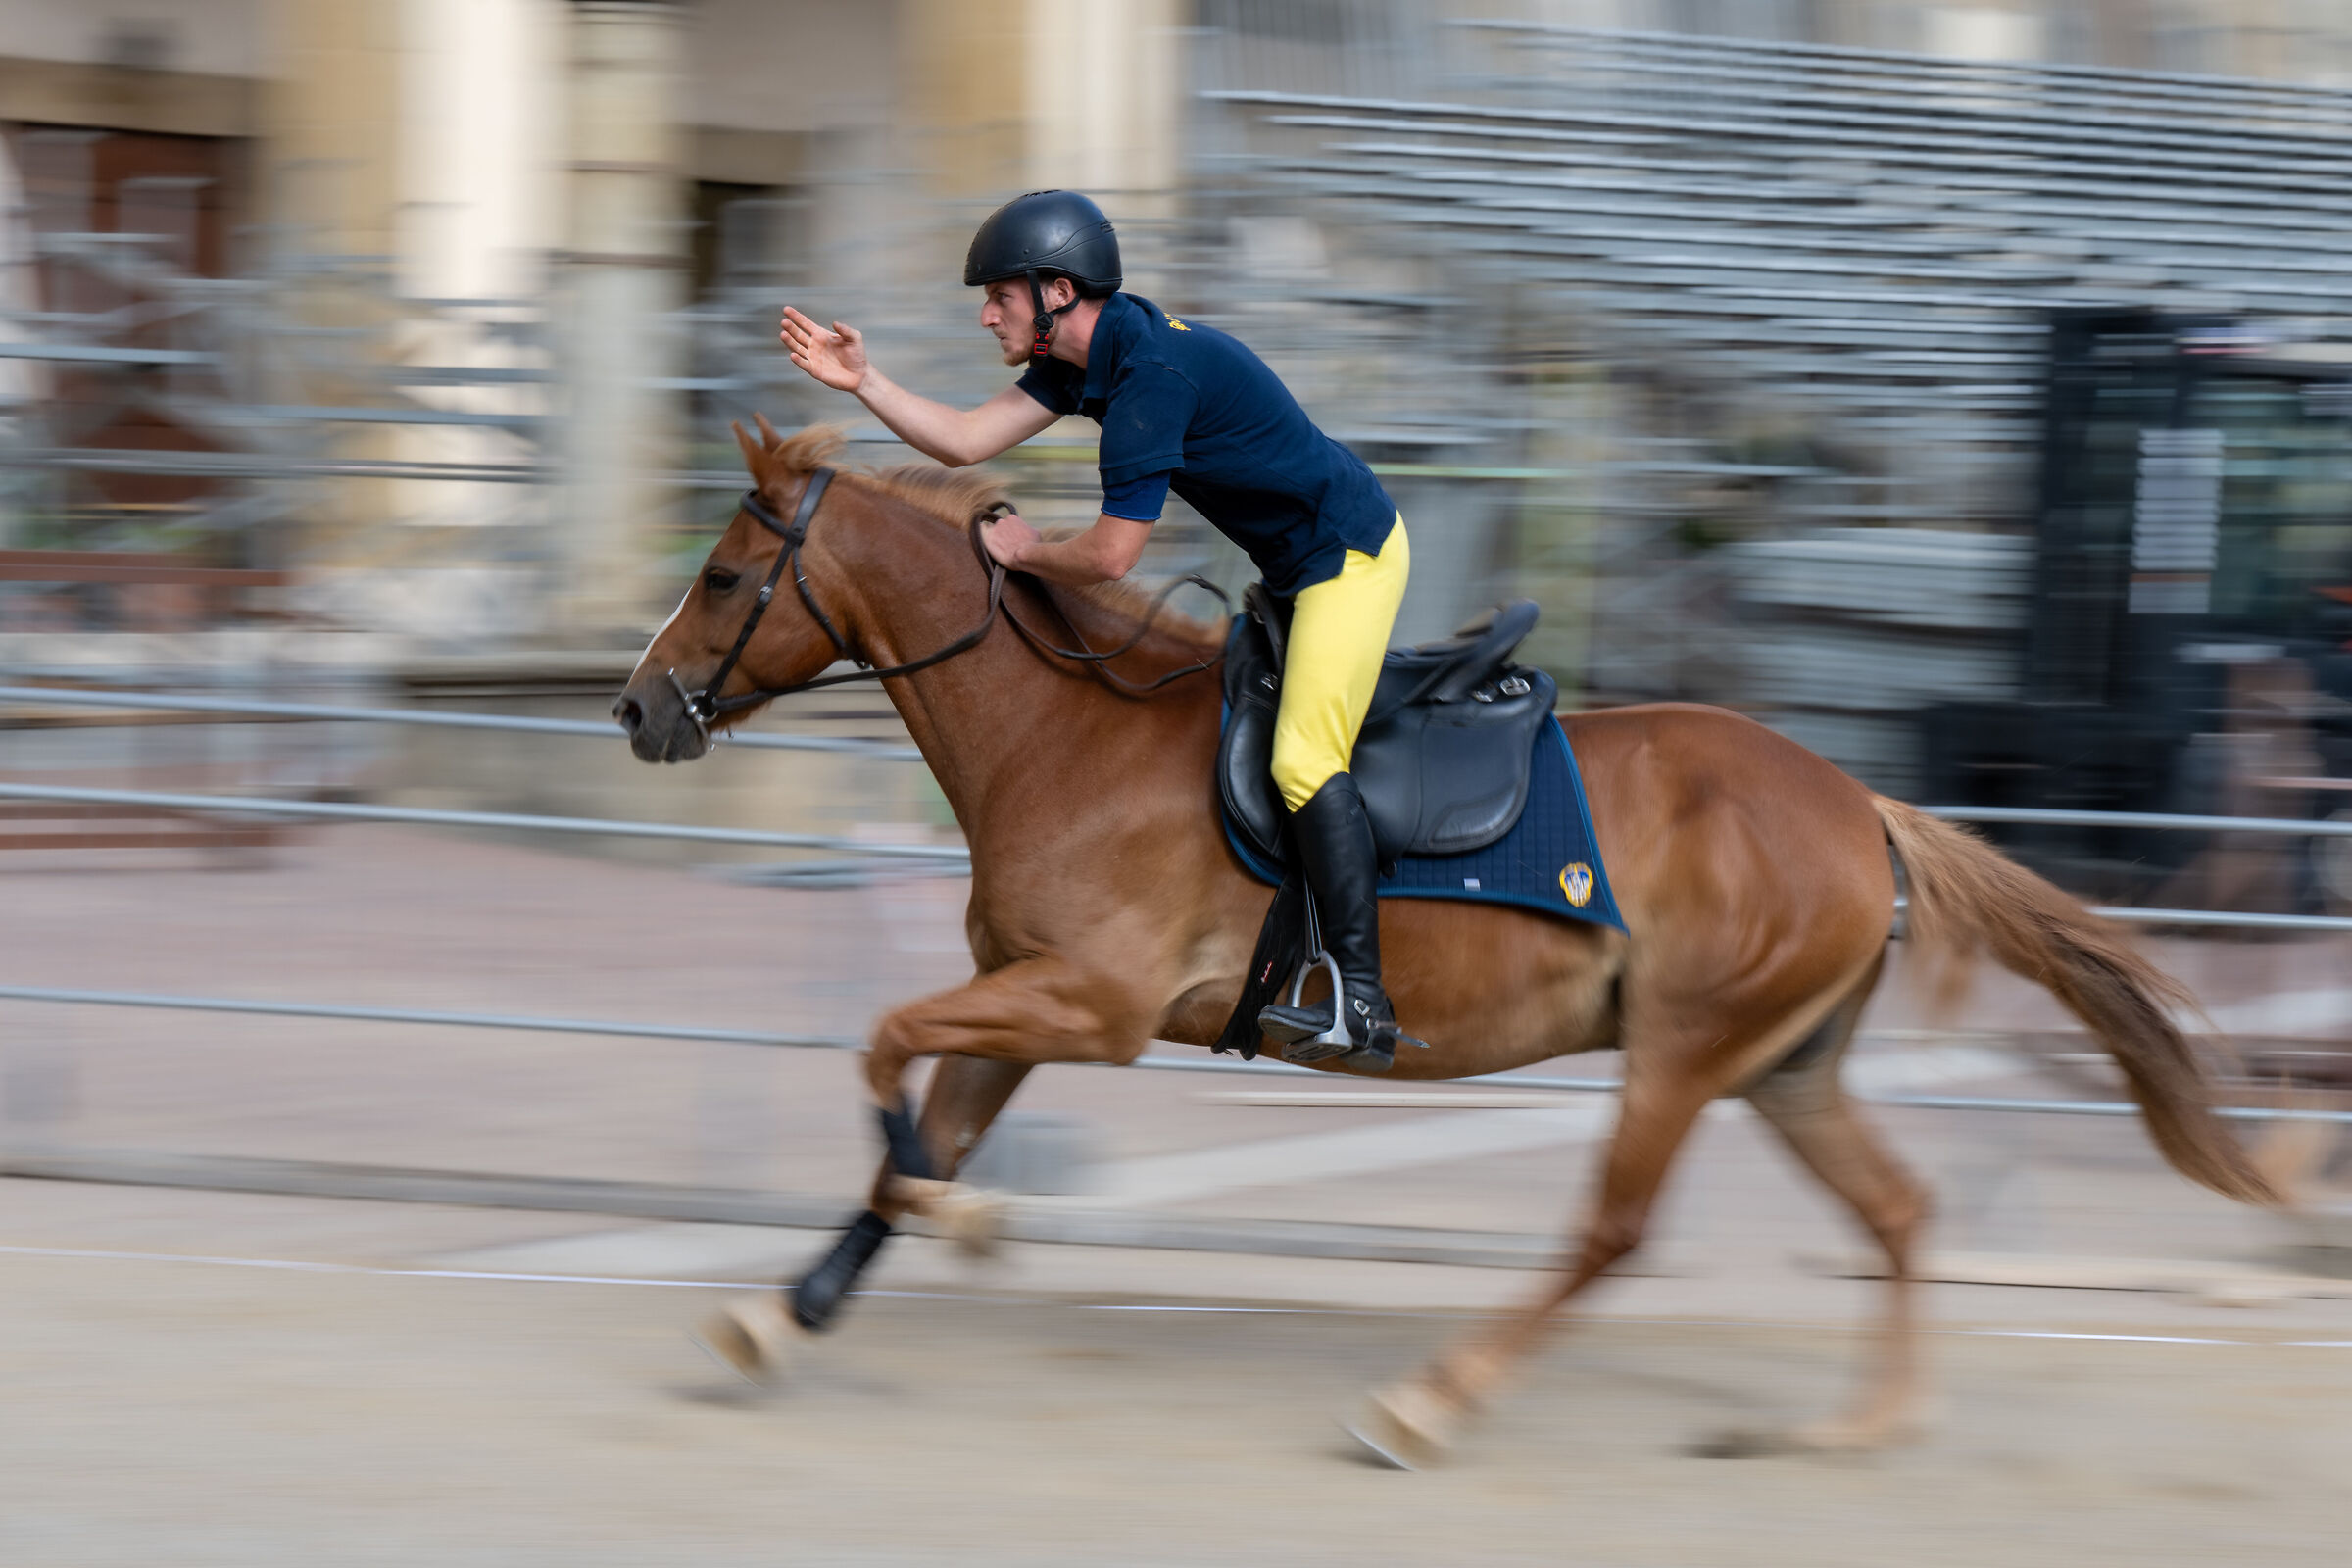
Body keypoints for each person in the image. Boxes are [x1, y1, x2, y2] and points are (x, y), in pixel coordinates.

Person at [779, 190, 1417, 1069]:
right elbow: (967, 440)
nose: (985, 312)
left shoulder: (1152, 380)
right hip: (1291, 569)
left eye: (998, 295)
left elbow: (1114, 556)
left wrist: (1026, 552)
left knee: (1305, 758)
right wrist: (866, 383)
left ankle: (1364, 1002)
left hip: (1350, 558)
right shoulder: (1091, 359)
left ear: (1056, 294)